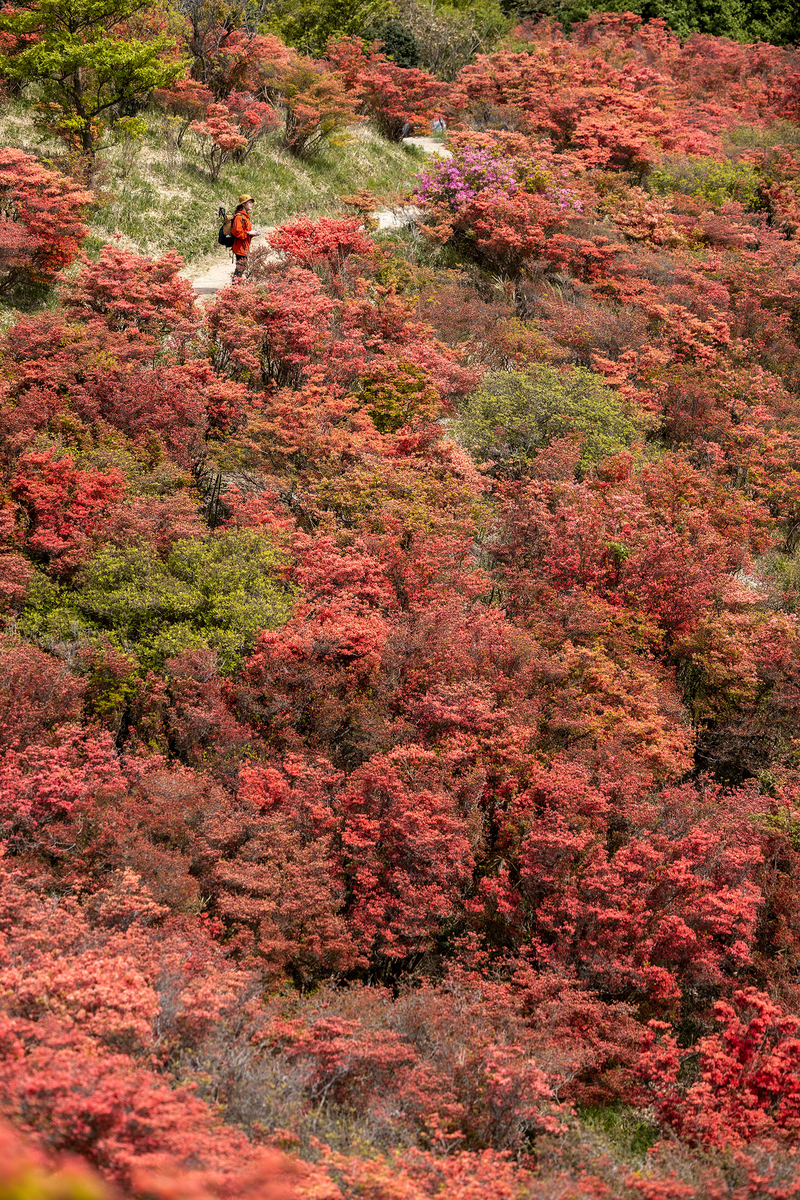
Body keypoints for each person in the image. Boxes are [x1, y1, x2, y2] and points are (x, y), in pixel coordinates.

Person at [231, 194, 260, 282]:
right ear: (243, 204)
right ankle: (235, 287)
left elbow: (244, 232)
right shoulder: (239, 217)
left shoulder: (245, 217)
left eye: (251, 203)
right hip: (240, 247)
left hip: (244, 246)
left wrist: (251, 233)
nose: (251, 204)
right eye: (249, 202)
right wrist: (249, 233)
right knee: (241, 267)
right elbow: (237, 232)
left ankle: (236, 287)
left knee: (242, 267)